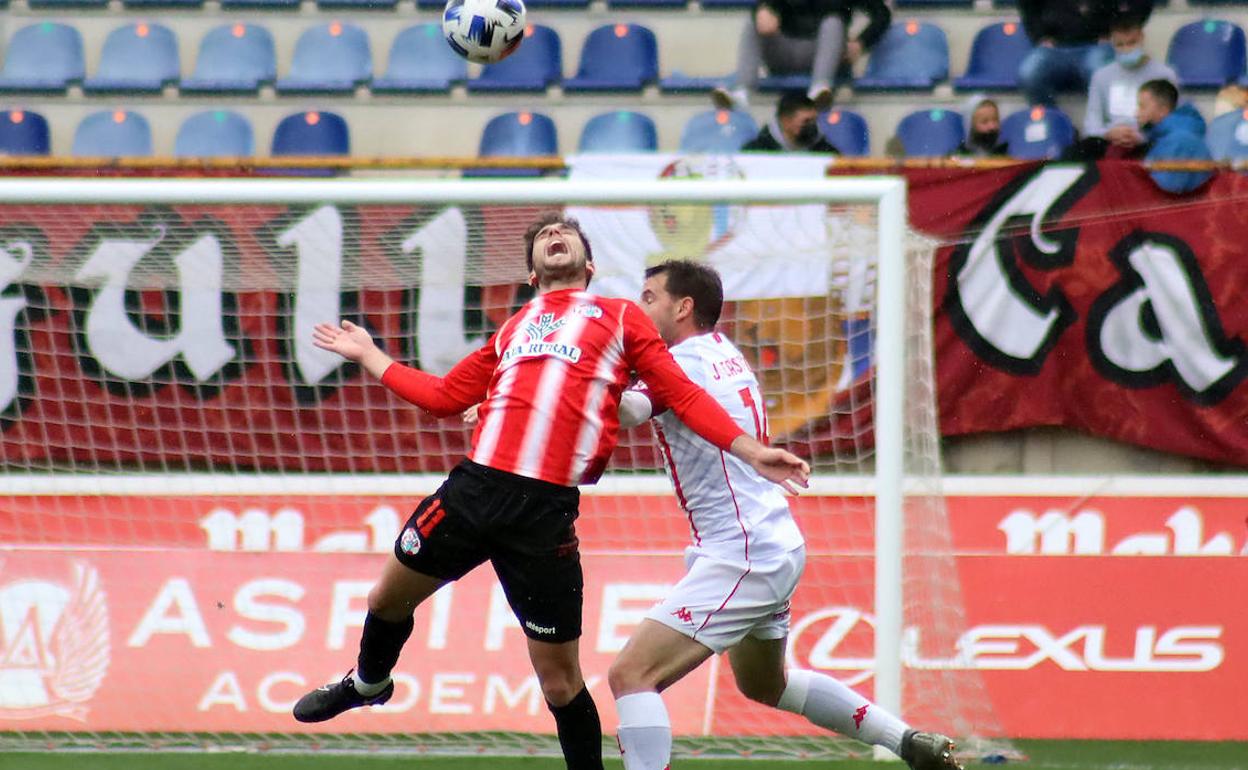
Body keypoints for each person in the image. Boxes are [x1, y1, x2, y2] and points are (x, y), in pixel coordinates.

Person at [291, 213, 810, 770]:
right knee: (385, 601)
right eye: (543, 236)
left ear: (589, 265)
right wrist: (370, 355)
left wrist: (751, 450)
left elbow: (680, 394)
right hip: (474, 490)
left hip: (544, 515)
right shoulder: (514, 327)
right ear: (532, 273)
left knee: (560, 681)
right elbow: (444, 395)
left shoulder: (620, 318)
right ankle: (369, 684)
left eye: (565, 234)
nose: (553, 237)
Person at [606, 259, 962, 770]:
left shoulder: (682, 363)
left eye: (648, 296)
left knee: (631, 676)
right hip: (771, 542)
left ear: (682, 308)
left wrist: (575, 373)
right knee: (768, 684)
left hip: (743, 552)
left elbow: (630, 411)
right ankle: (910, 742)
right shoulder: (722, 352)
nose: (638, 309)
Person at [713, 0, 891, 113]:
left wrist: (861, 43)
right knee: (754, 22)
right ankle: (743, 89)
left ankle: (821, 88)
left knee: (833, 23)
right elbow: (766, 9)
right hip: (786, 53)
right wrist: (765, 11)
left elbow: (882, 14)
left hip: (828, 56)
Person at [1017, 0, 1153, 106]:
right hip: (1054, 47)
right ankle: (1055, 126)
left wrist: (1119, 29)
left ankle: (1105, 132)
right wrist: (1040, 36)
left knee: (1098, 71)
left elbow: (1141, 4)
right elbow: (1027, 6)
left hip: (1098, 45)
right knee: (1029, 73)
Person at [1083, 13, 1176, 153]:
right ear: (1112, 43)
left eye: (1131, 43)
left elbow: (1170, 121)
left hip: (1147, 140)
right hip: (1110, 138)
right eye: (1120, 45)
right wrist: (1108, 133)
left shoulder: (1165, 74)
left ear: (1142, 38)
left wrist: (1142, 137)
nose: (1126, 49)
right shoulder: (1101, 76)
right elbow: (1092, 120)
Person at [1136, 78, 1213, 194]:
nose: (1136, 114)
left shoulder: (1180, 141)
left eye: (1142, 107)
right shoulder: (1161, 137)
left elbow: (1165, 191)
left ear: (1162, 110)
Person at [742, 91, 841, 153]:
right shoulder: (756, 151)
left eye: (814, 120)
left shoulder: (825, 151)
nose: (812, 125)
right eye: (806, 121)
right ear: (785, 121)